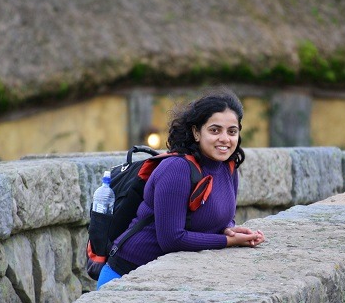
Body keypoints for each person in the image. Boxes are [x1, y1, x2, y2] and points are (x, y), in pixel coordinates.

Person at [96, 88, 265, 289]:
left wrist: (229, 229)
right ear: (196, 132)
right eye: (214, 130)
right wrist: (227, 241)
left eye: (232, 131)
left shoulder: (228, 167)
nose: (225, 139)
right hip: (127, 276)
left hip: (169, 280)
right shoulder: (176, 169)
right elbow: (172, 239)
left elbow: (219, 216)